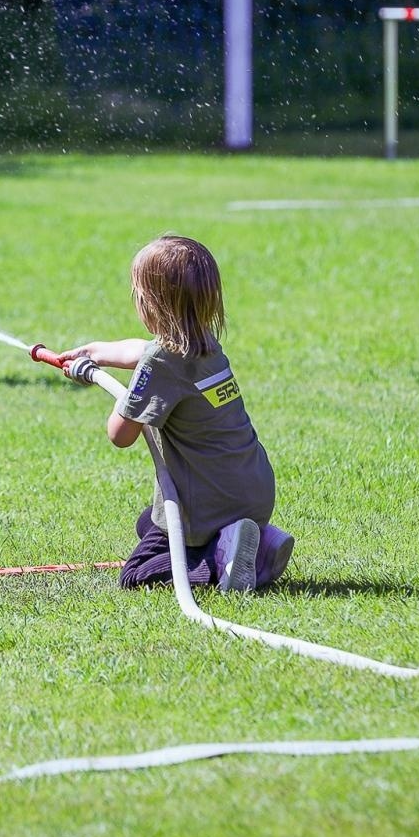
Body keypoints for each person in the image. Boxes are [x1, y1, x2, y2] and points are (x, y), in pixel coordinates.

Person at [59, 235, 290, 593]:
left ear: (151, 304)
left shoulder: (160, 363)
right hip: (251, 491)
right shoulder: (205, 345)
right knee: (147, 523)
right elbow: (145, 351)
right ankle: (257, 540)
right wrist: (94, 353)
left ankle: (220, 558)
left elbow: (120, 435)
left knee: (137, 573)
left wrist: (127, 392)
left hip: (209, 503)